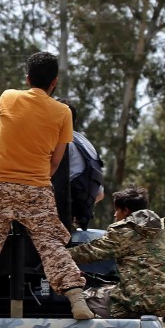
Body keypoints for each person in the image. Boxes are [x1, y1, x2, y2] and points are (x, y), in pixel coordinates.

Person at [0, 52, 93, 323]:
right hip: (37, 188)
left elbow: (3, 132)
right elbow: (57, 159)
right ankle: (78, 301)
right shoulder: (63, 113)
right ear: (55, 82)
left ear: (27, 78)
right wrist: (37, 179)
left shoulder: (8, 97)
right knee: (52, 245)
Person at [68, 186, 165, 319]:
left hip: (142, 302)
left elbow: (89, 252)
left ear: (126, 210)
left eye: (117, 210)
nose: (115, 215)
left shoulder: (123, 231)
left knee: (83, 298)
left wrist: (58, 254)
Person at [58, 98, 105, 230]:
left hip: (61, 214)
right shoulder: (84, 141)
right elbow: (100, 194)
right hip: (77, 215)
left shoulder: (62, 142)